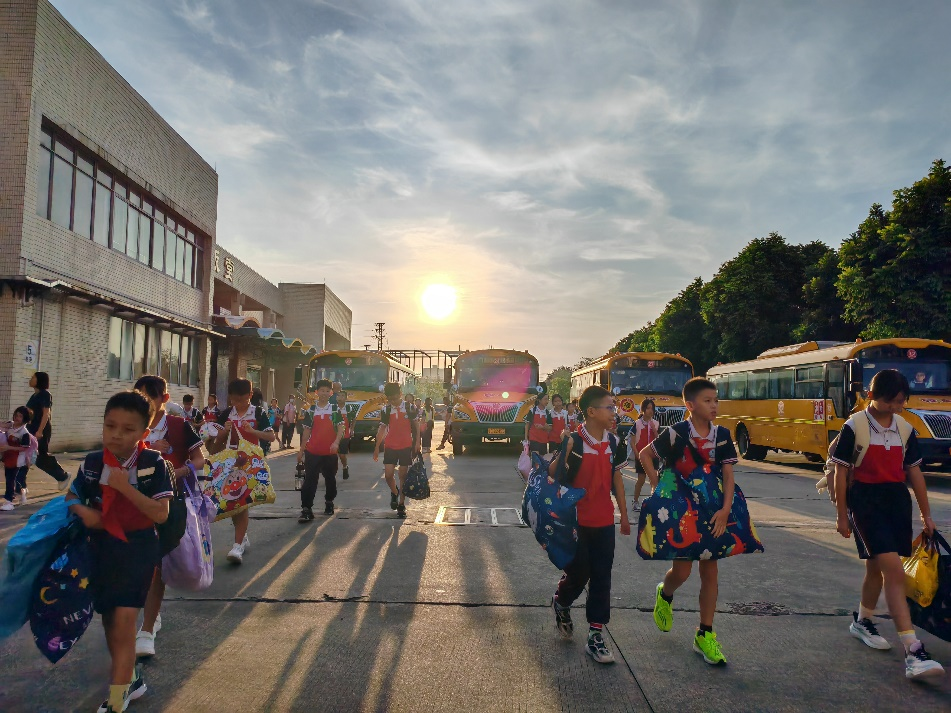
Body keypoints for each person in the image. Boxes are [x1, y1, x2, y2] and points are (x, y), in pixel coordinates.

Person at [831, 369, 945, 680]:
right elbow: (841, 472)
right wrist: (842, 515)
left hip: (896, 501)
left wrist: (926, 515)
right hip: (865, 502)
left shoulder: (905, 429)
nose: (896, 406)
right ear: (871, 396)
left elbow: (915, 473)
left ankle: (862, 621)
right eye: (890, 401)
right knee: (894, 571)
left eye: (900, 401)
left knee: (875, 567)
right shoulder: (854, 426)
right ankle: (913, 650)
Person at [66, 391, 173, 713]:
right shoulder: (92, 463)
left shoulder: (152, 463)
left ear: (144, 432)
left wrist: (124, 487)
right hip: (100, 548)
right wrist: (84, 512)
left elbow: (161, 514)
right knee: (111, 620)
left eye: (128, 429)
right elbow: (72, 496)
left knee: (125, 621)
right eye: (110, 425)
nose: (116, 434)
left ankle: (116, 698)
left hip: (137, 548)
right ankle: (132, 679)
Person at [640, 377, 738, 666]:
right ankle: (665, 592)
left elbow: (728, 477)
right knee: (682, 572)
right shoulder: (676, 433)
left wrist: (726, 510)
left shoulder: (722, 436)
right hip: (682, 514)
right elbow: (645, 455)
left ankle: (705, 634)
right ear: (690, 405)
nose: (714, 406)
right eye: (708, 401)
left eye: (716, 400)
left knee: (710, 572)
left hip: (712, 512)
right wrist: (657, 486)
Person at [550, 385, 630, 664]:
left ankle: (596, 635)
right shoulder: (574, 440)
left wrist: (624, 515)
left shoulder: (615, 443)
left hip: (604, 520)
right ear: (592, 412)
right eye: (610, 407)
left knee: (602, 577)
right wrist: (564, 450)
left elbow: (616, 479)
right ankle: (561, 601)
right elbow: (552, 474)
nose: (614, 412)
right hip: (575, 522)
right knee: (579, 573)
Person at [133, 376, 205, 659]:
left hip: (169, 505)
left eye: (150, 397)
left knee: (156, 565)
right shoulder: (133, 424)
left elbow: (199, 459)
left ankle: (147, 629)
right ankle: (149, 617)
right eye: (140, 396)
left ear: (164, 398)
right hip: (133, 502)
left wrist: (180, 471)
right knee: (137, 566)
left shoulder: (178, 425)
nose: (145, 403)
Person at [212, 379, 276, 564]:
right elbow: (214, 444)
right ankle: (242, 537)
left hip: (250, 464)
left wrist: (253, 431)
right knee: (233, 502)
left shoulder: (258, 412)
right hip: (230, 464)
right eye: (233, 400)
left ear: (250, 395)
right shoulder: (226, 414)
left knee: (242, 502)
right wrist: (223, 432)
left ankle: (237, 545)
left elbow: (271, 436)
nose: (237, 404)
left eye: (241, 400)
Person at [297, 379, 344, 521]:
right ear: (316, 392)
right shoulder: (311, 410)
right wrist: (301, 450)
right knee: (310, 480)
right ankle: (306, 509)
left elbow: (341, 428)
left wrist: (336, 442)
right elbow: (306, 432)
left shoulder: (334, 409)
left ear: (331, 393)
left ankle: (329, 502)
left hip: (330, 452)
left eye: (327, 391)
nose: (324, 393)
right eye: (321, 390)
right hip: (313, 452)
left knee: (330, 479)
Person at [373, 382, 420, 519]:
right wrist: (376, 447)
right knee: (388, 475)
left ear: (400, 394)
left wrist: (417, 442)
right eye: (390, 399)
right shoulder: (386, 410)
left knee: (402, 475)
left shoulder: (410, 407)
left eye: (394, 398)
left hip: (406, 446)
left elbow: (416, 426)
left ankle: (401, 504)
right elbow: (382, 429)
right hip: (390, 446)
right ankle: (395, 492)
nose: (392, 401)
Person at [26, 371, 69, 488]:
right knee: (26, 455)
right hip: (31, 429)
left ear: (39, 380)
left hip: (40, 430)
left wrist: (40, 431)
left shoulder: (45, 394)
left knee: (41, 457)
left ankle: (62, 476)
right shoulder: (34, 396)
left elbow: (46, 414)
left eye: (33, 377)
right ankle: (19, 484)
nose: (31, 379)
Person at [1, 407, 35, 510]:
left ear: (25, 418)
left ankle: (9, 502)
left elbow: (24, 448)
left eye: (20, 416)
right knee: (10, 478)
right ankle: (22, 491)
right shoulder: (10, 425)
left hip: (17, 459)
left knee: (10, 479)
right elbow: (3, 425)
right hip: (8, 457)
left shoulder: (24, 433)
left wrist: (9, 447)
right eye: (16, 415)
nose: (17, 418)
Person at [628, 398, 659, 512]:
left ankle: (654, 501)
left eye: (652, 408)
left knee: (654, 479)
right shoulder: (637, 423)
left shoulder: (656, 423)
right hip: (641, 455)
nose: (650, 411)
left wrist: (654, 429)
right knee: (641, 479)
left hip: (653, 455)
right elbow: (632, 441)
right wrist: (637, 455)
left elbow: (658, 439)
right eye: (648, 408)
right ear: (643, 410)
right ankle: (635, 501)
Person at [337, 389, 352, 480]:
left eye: (342, 396)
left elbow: (353, 419)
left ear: (346, 398)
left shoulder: (348, 408)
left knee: (342, 455)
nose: (340, 397)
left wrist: (352, 429)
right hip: (334, 435)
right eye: (338, 395)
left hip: (345, 435)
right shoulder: (333, 408)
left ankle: (345, 466)